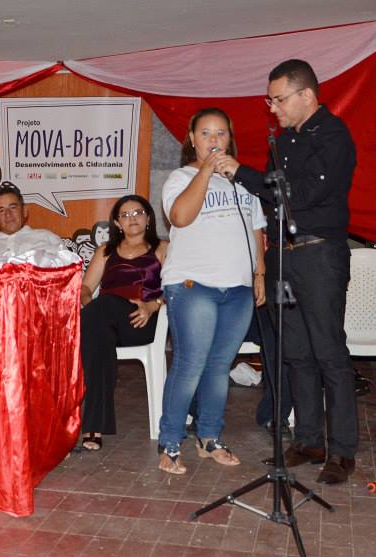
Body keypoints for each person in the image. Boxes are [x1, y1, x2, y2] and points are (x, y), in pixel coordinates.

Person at [216, 59, 358, 485]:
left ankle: (342, 450)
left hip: (318, 255)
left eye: (278, 99)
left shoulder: (333, 136)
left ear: (306, 95)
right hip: (283, 256)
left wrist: (241, 173)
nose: (273, 108)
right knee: (294, 350)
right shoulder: (284, 140)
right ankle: (309, 440)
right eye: (270, 101)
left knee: (328, 351)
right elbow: (272, 198)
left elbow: (303, 195)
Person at [157, 107, 266, 475]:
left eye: (221, 133)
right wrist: (205, 170)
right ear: (192, 139)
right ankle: (170, 441)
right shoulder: (180, 178)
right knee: (190, 364)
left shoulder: (243, 181)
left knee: (220, 367)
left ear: (230, 138)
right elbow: (180, 217)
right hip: (193, 285)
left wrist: (260, 273)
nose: (214, 140)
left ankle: (209, 438)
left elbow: (256, 230)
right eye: (206, 133)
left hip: (238, 288)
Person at [79, 195, 168, 451]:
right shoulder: (105, 251)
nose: (132, 218)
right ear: (117, 223)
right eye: (125, 215)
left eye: (138, 212)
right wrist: (89, 304)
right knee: (99, 336)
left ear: (148, 218)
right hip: (106, 322)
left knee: (101, 310)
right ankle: (94, 427)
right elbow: (85, 288)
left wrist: (153, 305)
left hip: (142, 321)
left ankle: (89, 423)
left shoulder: (162, 248)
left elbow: (176, 288)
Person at [0, 184, 63, 255]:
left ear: (24, 211)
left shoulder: (47, 238)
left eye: (13, 207)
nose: (8, 214)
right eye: (1, 210)